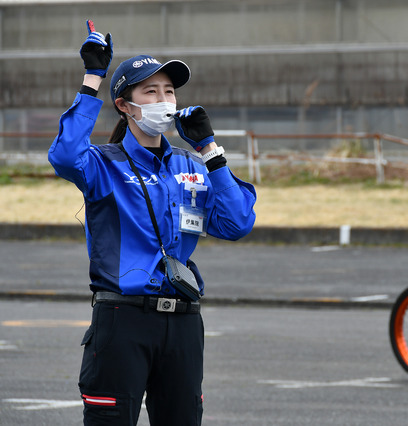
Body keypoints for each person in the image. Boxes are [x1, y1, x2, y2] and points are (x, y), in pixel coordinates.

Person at [48, 21, 257, 424]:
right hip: (122, 320)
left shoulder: (188, 165)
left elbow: (238, 222)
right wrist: (93, 78)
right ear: (126, 106)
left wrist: (211, 151)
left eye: (169, 91)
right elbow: (65, 155)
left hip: (183, 322)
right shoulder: (104, 163)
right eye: (150, 91)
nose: (164, 99)